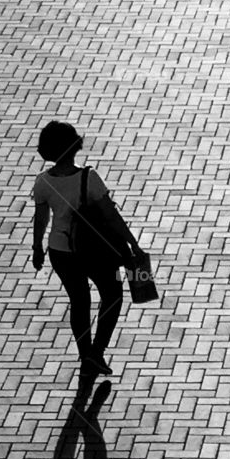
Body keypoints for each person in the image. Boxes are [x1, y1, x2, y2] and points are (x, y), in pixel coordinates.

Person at [31, 121, 144, 378]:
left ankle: (85, 356)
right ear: (75, 147)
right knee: (113, 295)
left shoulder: (43, 183)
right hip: (95, 250)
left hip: (61, 251)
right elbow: (111, 216)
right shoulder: (89, 178)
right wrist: (132, 242)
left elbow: (41, 219)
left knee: (79, 301)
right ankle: (97, 351)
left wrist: (37, 248)